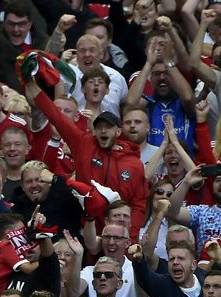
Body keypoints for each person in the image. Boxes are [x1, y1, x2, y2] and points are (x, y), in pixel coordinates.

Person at [26, 78, 148, 240]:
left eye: (108, 127)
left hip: (119, 234)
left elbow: (139, 205)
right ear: (94, 130)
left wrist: (132, 237)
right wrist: (30, 82)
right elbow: (55, 115)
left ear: (118, 132)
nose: (103, 131)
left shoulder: (134, 164)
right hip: (85, 228)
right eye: (99, 127)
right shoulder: (83, 143)